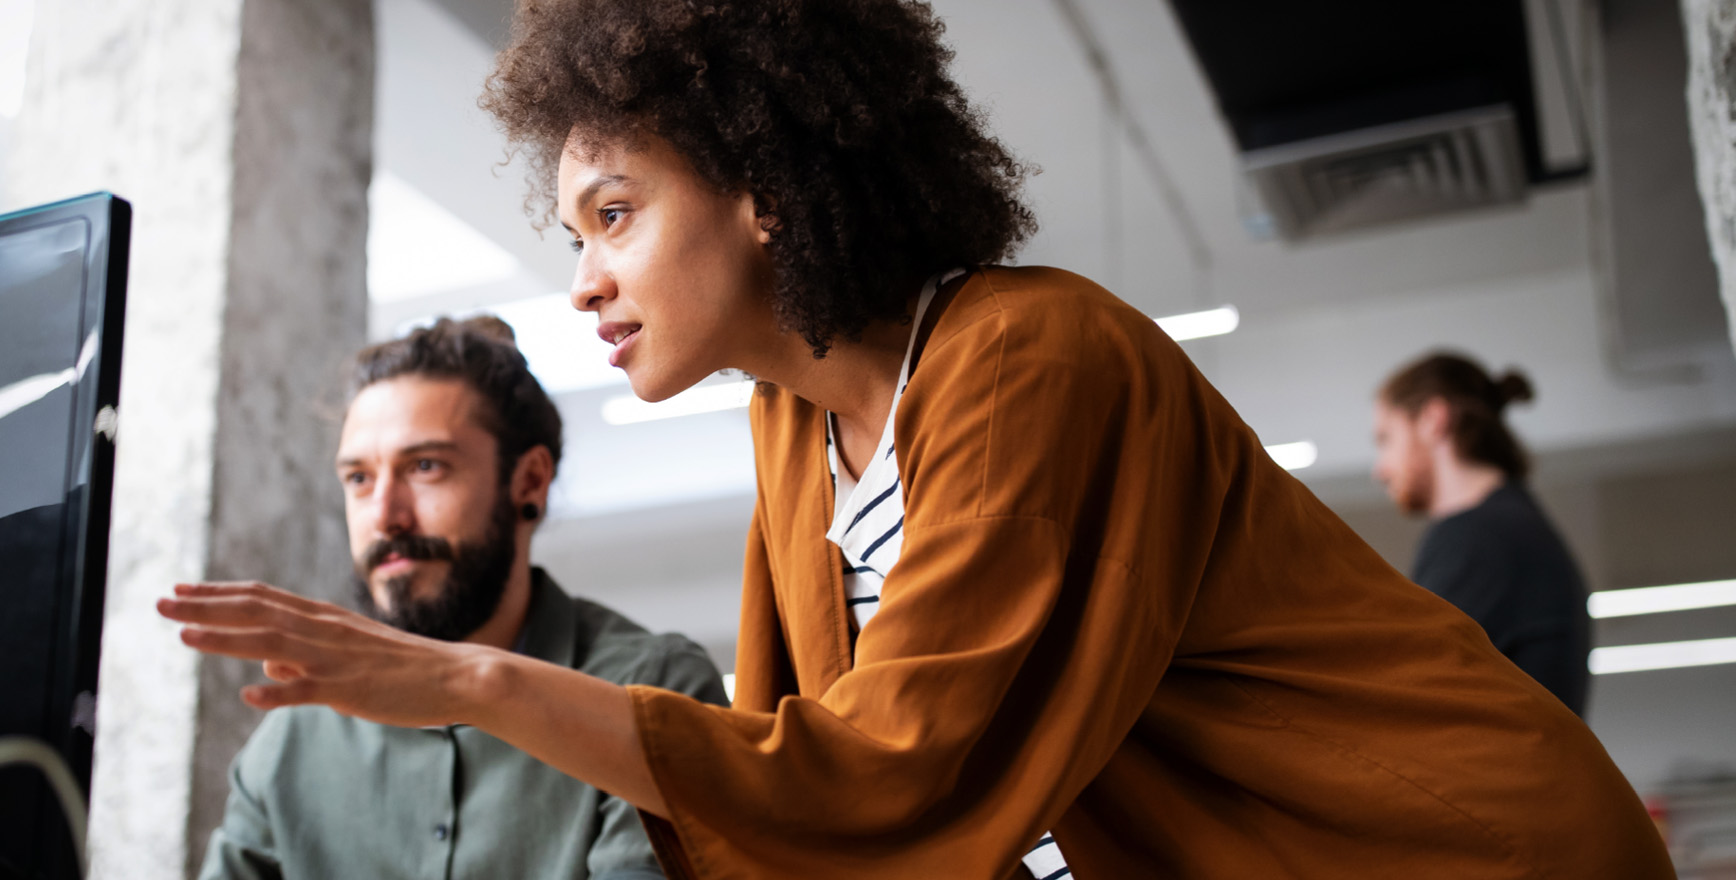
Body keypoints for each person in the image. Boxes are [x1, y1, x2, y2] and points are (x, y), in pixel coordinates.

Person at [160, 2, 1672, 877]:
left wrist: (478, 685)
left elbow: (888, 776)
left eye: (616, 213)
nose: (586, 279)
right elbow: (793, 801)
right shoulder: (791, 428)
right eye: (574, 231)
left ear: (762, 180)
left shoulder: (1028, 355)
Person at [196, 317, 728, 880]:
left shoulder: (655, 693)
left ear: (529, 482)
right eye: (358, 479)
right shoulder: (295, 733)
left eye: (426, 467)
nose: (384, 517)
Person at [1373, 352, 1592, 715]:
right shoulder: (1511, 526)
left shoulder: (1478, 535)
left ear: (1433, 419)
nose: (1380, 470)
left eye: (1386, 439)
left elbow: (1406, 697)